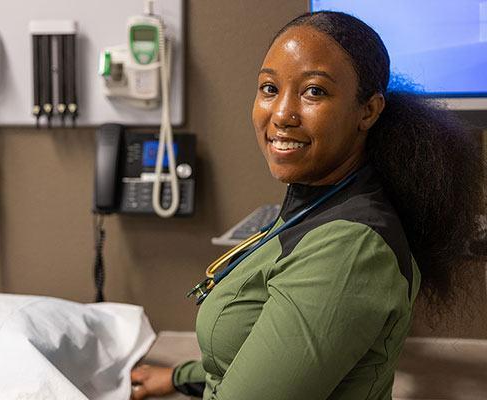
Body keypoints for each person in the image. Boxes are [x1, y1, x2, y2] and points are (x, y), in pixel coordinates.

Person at [130, 11, 485, 400]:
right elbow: (266, 347)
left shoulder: (348, 252)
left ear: (367, 110)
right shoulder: (318, 200)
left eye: (314, 91)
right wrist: (180, 376)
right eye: (269, 88)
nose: (281, 114)